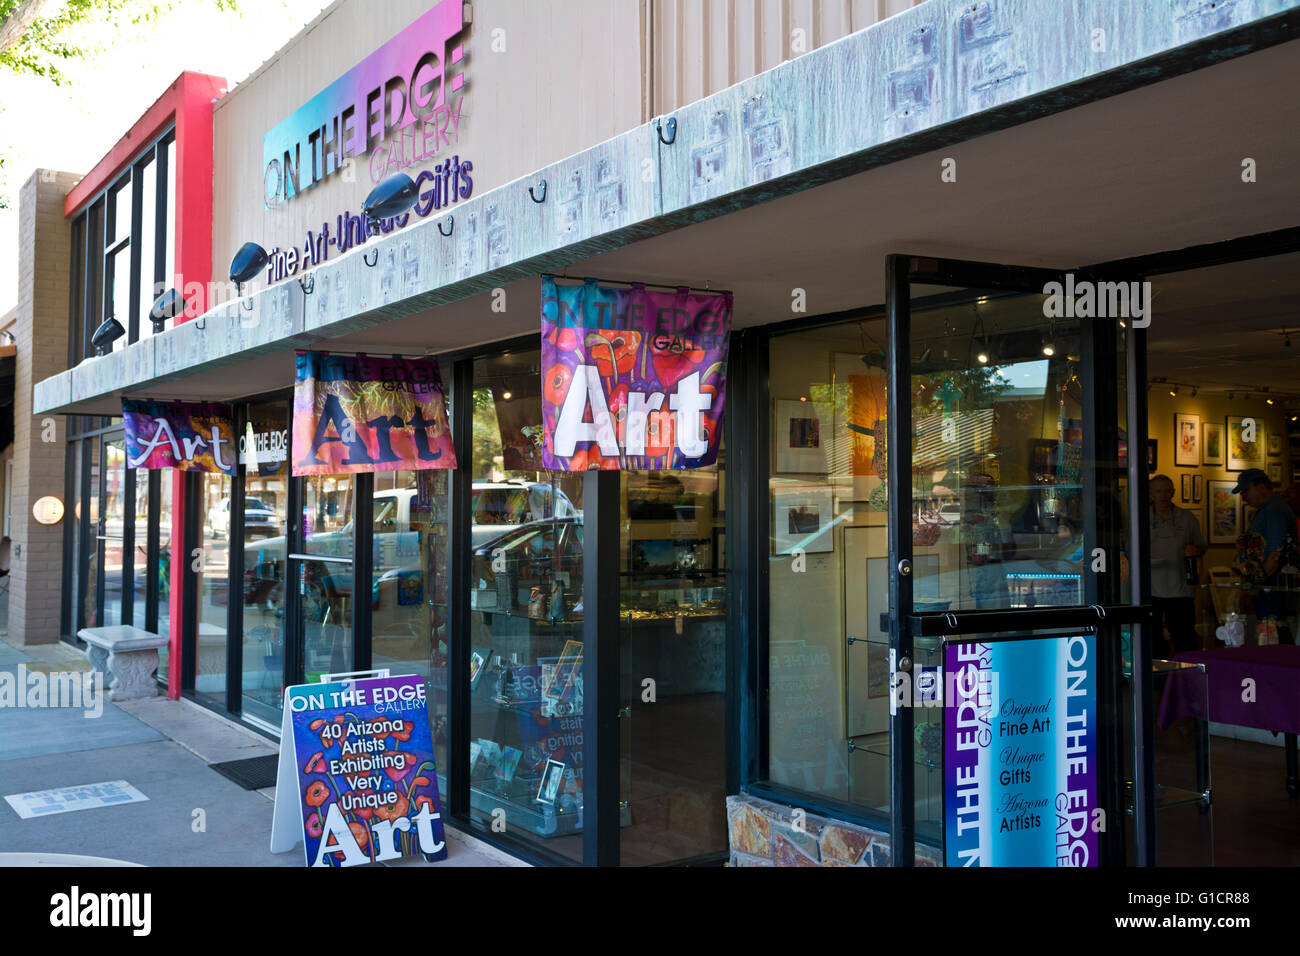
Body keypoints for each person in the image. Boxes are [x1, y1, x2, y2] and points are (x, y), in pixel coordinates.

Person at [1235, 469, 1299, 645]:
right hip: (1269, 586)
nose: (1244, 496)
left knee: (1275, 638)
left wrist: (1255, 584)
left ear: (1261, 486)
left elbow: (1275, 554)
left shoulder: (1274, 510)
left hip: (1273, 588)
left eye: (1246, 490)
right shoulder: (1268, 509)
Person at [1148, 474, 1206, 657]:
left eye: (1167, 491)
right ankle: (1159, 680)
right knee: (1153, 638)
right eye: (1158, 491)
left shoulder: (1186, 517)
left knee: (1184, 636)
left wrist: (1194, 550)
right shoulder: (1141, 518)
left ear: (1173, 492)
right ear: (1151, 494)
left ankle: (1188, 676)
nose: (1163, 495)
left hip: (1180, 588)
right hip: (1150, 587)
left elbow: (1202, 546)